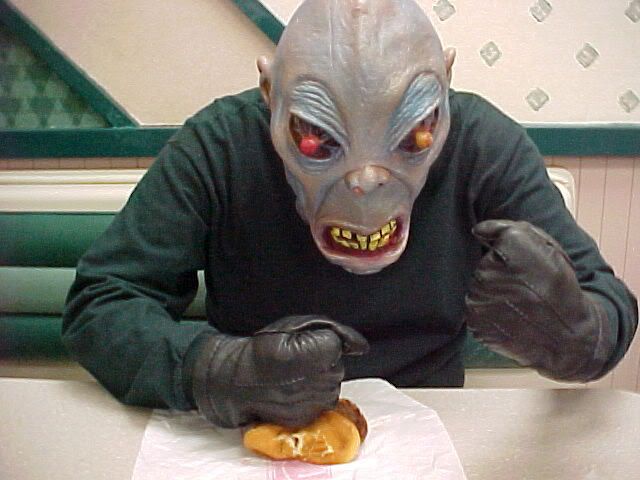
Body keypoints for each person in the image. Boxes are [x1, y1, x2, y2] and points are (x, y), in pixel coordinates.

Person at [63, 0, 637, 429]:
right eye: (317, 139)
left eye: (413, 135)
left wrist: (576, 335)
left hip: (431, 417)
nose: (365, 185)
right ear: (270, 93)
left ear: (445, 86)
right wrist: (219, 371)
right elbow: (101, 302)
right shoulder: (220, 145)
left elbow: (608, 302)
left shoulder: (481, 144)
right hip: (256, 429)